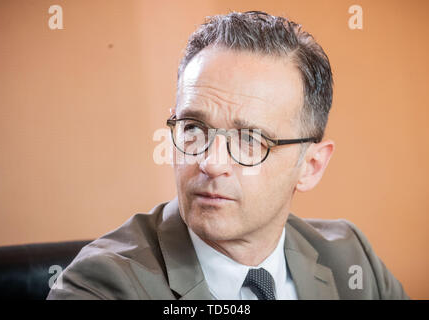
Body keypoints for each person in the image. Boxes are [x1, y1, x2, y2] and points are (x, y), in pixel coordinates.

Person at [47, 11, 408, 300]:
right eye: (193, 128)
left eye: (250, 138)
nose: (210, 161)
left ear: (311, 166)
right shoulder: (101, 286)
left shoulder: (353, 260)